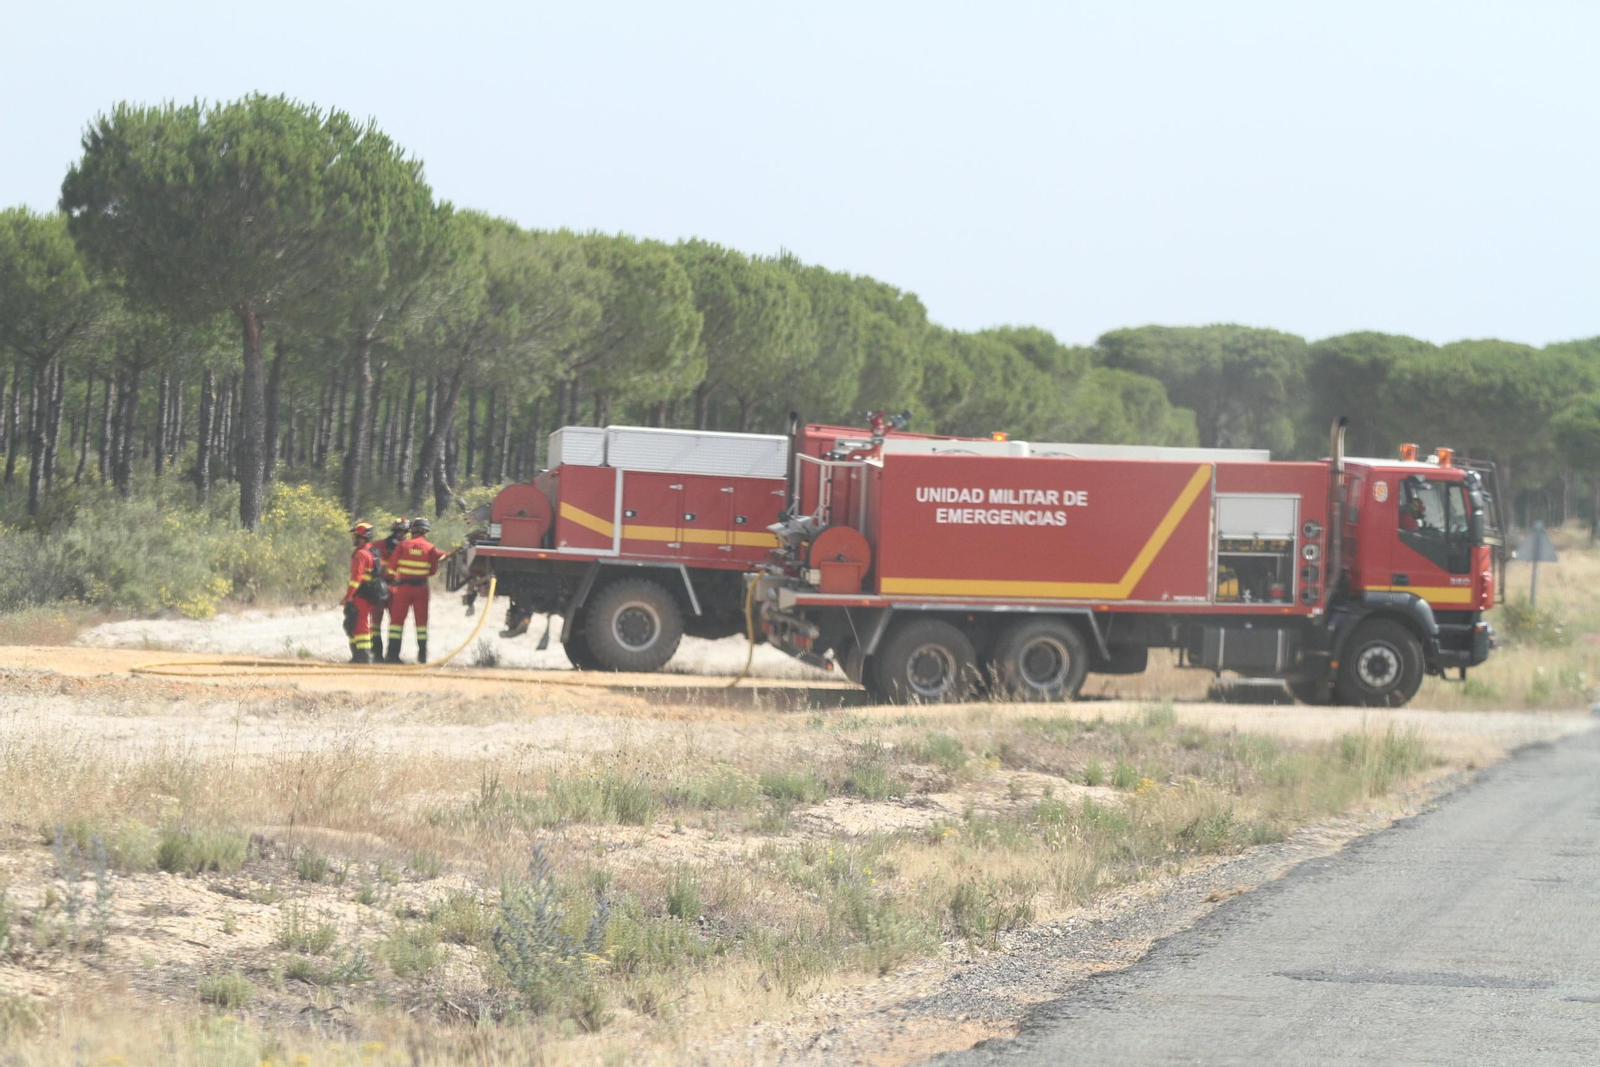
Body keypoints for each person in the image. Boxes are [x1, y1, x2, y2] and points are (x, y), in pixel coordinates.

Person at [386, 515, 448, 663]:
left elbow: (391, 568)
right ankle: (422, 657)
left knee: (396, 622)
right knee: (421, 624)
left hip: (402, 589)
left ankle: (393, 656)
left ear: (412, 530)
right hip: (421, 589)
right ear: (426, 532)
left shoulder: (403, 546)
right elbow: (432, 571)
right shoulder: (430, 548)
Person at [342, 522, 380, 664]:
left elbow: (356, 578)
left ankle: (363, 656)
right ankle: (358, 655)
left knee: (360, 624)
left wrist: (348, 596)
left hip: (360, 595)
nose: (354, 538)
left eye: (356, 535)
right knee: (353, 623)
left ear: (362, 537)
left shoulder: (361, 555)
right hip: (366, 594)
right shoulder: (371, 552)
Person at [373, 519, 409, 660]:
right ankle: (380, 656)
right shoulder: (380, 545)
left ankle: (389, 656)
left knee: (395, 624)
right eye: (401, 532)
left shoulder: (407, 546)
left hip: (393, 587)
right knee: (378, 623)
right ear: (395, 532)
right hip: (385, 587)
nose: (403, 534)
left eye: (405, 532)